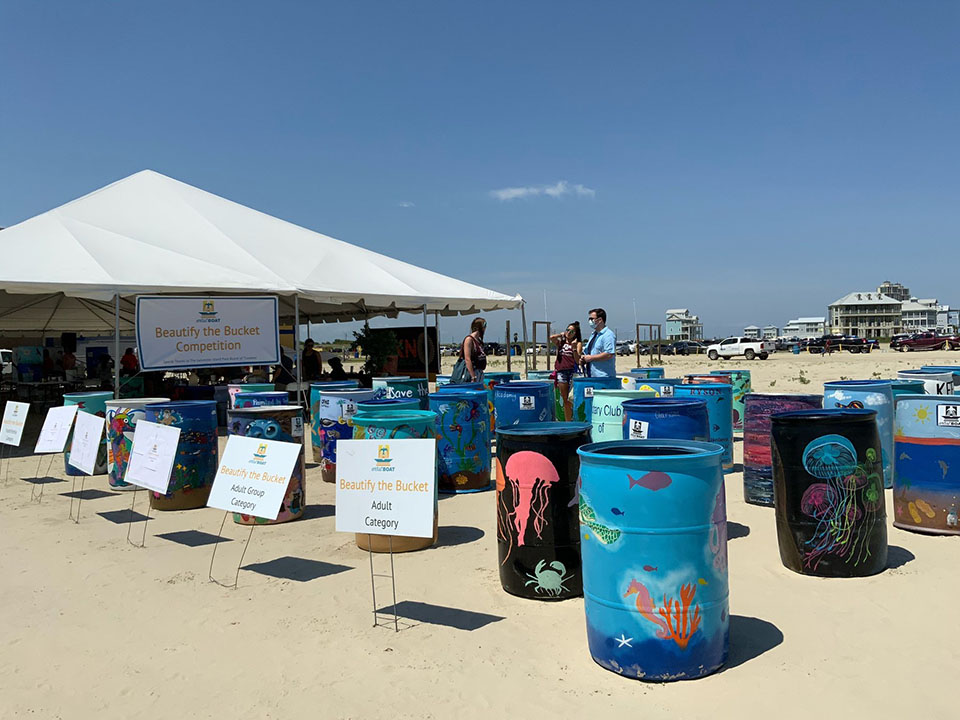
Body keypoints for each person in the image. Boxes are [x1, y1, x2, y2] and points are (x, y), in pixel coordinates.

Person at [550, 322, 583, 421]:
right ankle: (568, 420)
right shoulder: (561, 342)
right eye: (568, 330)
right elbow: (551, 337)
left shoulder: (578, 344)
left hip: (572, 372)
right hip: (561, 371)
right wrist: (561, 335)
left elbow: (578, 360)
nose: (569, 332)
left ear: (575, 333)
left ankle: (574, 416)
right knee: (565, 398)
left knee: (572, 397)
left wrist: (573, 348)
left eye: (572, 331)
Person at [581, 308, 616, 378]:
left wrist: (591, 358)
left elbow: (609, 354)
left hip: (604, 377)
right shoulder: (593, 335)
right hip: (591, 376)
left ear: (600, 320)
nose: (590, 321)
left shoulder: (608, 335)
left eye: (592, 319)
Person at [456, 317, 487, 383]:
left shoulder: (478, 341)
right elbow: (467, 359)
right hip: (471, 373)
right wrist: (473, 376)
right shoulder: (469, 340)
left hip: (479, 372)